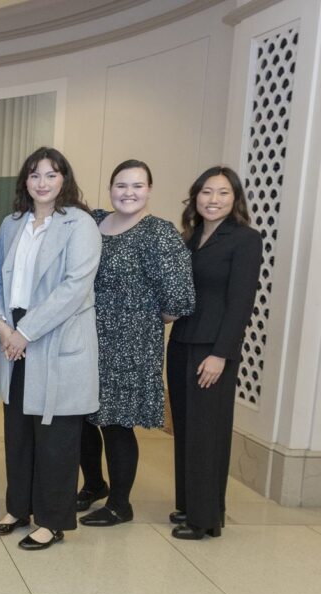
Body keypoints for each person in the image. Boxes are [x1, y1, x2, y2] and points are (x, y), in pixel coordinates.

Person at [0, 146, 101, 550]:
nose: (42, 182)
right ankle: (18, 507)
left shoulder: (80, 224)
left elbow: (74, 288)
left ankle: (52, 520)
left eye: (51, 175)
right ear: (25, 182)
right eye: (35, 175)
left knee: (55, 438)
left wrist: (25, 332)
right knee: (18, 429)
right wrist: (1, 324)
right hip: (12, 335)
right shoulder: (12, 224)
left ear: (64, 180)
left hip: (54, 335)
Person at [75, 160, 195, 526]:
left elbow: (179, 299)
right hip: (87, 339)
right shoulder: (94, 222)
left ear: (149, 190)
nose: (128, 192)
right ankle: (95, 484)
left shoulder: (158, 233)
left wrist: (135, 319)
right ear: (110, 188)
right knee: (79, 416)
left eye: (137, 186)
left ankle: (120, 504)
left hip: (130, 346)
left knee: (115, 423)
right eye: (121, 185)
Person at [167, 166, 262, 540]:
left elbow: (241, 303)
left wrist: (221, 354)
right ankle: (190, 504)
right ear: (196, 196)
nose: (213, 200)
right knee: (187, 429)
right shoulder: (189, 239)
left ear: (235, 199)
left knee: (208, 433)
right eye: (207, 192)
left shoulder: (245, 239)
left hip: (213, 350)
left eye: (223, 193)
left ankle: (206, 519)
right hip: (182, 343)